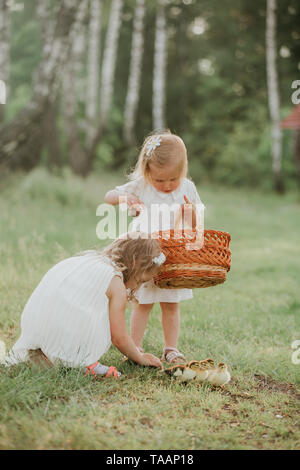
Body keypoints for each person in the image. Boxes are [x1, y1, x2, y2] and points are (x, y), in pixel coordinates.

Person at [104, 130, 204, 364]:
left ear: (182, 171)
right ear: (148, 171)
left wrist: (190, 215)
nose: (167, 185)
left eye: (173, 179)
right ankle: (135, 348)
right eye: (160, 180)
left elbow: (196, 225)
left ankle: (171, 349)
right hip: (144, 257)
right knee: (143, 303)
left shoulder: (187, 188)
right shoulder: (142, 186)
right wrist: (125, 199)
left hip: (172, 256)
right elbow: (109, 195)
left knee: (171, 303)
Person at [4, 235, 164, 377]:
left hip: (38, 322)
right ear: (135, 264)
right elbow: (119, 337)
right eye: (141, 281)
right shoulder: (116, 284)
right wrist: (140, 358)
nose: (137, 287)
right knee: (100, 320)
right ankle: (83, 362)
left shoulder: (91, 261)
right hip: (63, 327)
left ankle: (46, 353)